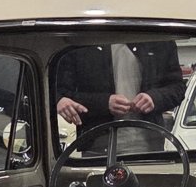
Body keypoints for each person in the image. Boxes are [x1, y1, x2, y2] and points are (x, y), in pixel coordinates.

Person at [54, 39, 186, 150]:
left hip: (150, 145)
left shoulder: (157, 40)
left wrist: (154, 98)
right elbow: (60, 92)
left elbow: (178, 88)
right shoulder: (82, 43)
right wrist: (104, 103)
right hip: (97, 146)